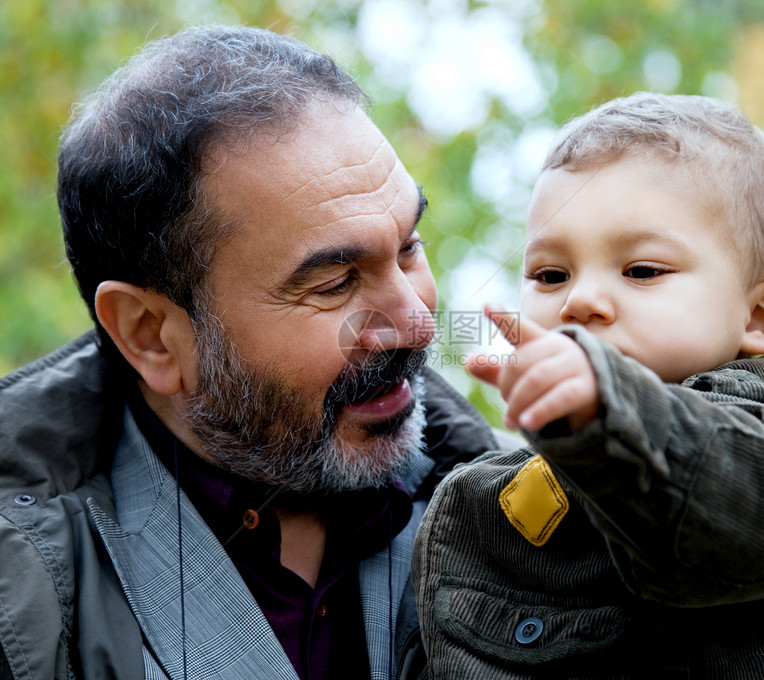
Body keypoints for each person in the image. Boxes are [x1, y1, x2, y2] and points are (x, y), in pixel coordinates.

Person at [0, 25, 505, 680]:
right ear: (150, 334)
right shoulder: (26, 601)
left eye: (409, 246)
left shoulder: (508, 513)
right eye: (336, 283)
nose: (414, 322)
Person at [412, 92, 764, 678]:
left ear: (759, 317)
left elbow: (755, 526)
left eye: (642, 270)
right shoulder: (481, 500)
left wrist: (611, 408)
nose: (580, 301)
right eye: (550, 274)